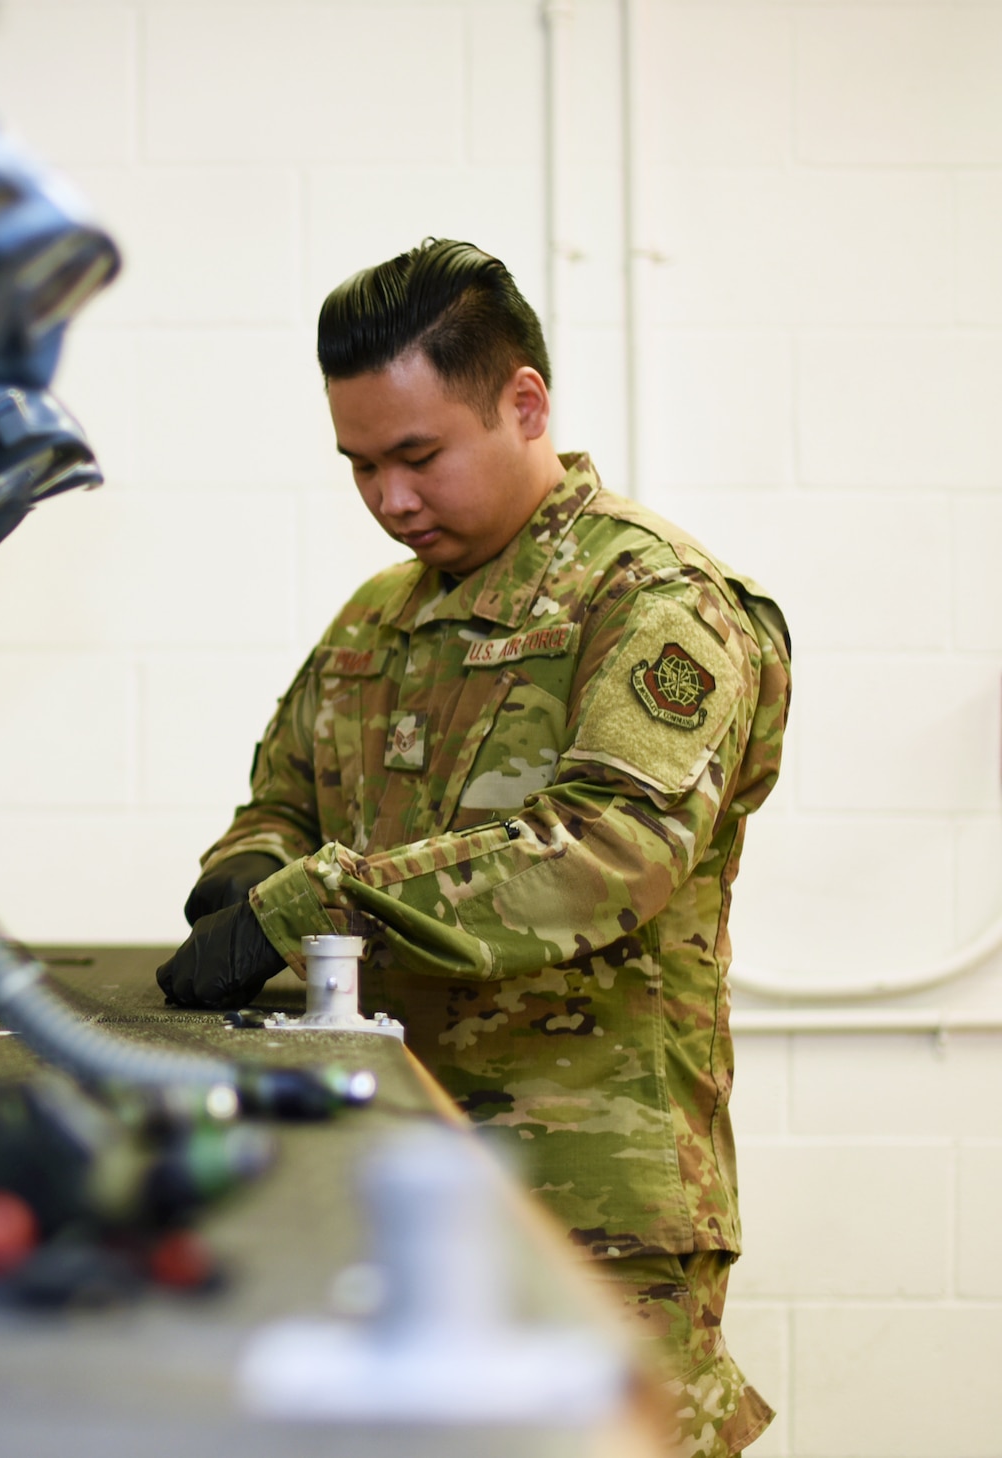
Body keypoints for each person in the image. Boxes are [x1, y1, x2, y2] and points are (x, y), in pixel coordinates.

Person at [157, 239, 790, 1456]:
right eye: (357, 466)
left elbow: (607, 851)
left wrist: (306, 904)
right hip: (389, 1176)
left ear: (523, 404)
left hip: (586, 1203)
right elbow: (283, 799)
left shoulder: (652, 603)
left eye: (416, 456)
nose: (389, 500)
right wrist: (245, 867)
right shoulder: (377, 620)